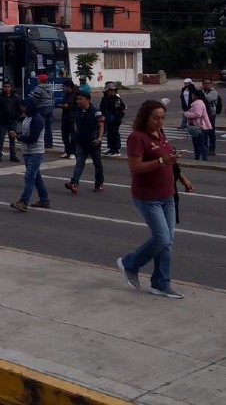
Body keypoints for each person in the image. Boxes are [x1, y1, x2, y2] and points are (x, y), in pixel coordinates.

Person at [117, 100, 187, 298]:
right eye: (155, 118)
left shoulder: (161, 134)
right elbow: (135, 168)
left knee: (168, 241)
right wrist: (161, 160)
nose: (160, 122)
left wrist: (180, 176)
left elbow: (167, 160)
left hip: (168, 196)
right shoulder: (137, 138)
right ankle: (129, 263)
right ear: (145, 117)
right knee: (162, 238)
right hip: (148, 197)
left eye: (163, 118)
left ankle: (160, 283)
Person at [9, 97, 50, 211]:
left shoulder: (37, 119)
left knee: (29, 177)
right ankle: (44, 199)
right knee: (36, 177)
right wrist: (18, 134)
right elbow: (27, 132)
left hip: (36, 152)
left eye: (23, 106)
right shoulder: (27, 118)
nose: (21, 108)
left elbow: (33, 137)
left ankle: (23, 201)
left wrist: (17, 137)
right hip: (27, 152)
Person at [65, 91, 105, 194]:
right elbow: (75, 123)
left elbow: (101, 125)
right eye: (77, 99)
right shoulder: (77, 111)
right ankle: (74, 183)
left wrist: (99, 138)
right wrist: (75, 134)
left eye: (80, 99)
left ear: (87, 100)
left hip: (93, 142)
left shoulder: (96, 112)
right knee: (79, 163)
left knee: (97, 164)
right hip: (81, 141)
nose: (78, 101)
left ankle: (99, 184)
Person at [0, 80, 22, 163]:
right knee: (1, 139)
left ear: (11, 87)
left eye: (9, 87)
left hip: (12, 121)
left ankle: (13, 155)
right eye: (5, 87)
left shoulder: (15, 97)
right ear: (3, 87)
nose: (7, 88)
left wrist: (17, 117)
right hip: (2, 121)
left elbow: (20, 108)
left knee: (12, 139)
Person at [182, 89, 212, 161]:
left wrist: (186, 114)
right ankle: (198, 158)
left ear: (196, 96)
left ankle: (202, 158)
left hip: (198, 126)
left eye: (192, 94)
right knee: (199, 143)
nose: (191, 96)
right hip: (199, 126)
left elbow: (197, 114)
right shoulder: (200, 102)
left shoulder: (197, 103)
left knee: (199, 143)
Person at [99, 83, 127, 156]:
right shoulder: (104, 99)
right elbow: (102, 108)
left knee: (115, 133)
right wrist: (104, 115)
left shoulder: (117, 99)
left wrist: (118, 117)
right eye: (110, 90)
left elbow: (122, 108)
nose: (112, 92)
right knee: (109, 133)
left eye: (113, 90)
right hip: (108, 118)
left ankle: (116, 149)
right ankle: (110, 148)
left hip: (116, 119)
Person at [30, 73, 56, 148]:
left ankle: (44, 142)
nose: (37, 80)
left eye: (38, 79)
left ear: (40, 80)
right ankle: (50, 143)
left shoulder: (38, 88)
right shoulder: (50, 87)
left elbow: (35, 100)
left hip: (42, 108)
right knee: (48, 127)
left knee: (42, 126)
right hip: (50, 108)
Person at [57, 80, 78, 159]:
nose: (63, 88)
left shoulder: (76, 95)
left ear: (69, 87)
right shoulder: (65, 95)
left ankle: (73, 152)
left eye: (64, 86)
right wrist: (62, 105)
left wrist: (69, 106)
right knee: (64, 135)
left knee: (73, 136)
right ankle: (67, 151)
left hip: (73, 117)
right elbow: (63, 102)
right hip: (65, 117)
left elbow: (78, 106)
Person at [200, 79, 220, 156]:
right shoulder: (203, 92)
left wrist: (201, 93)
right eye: (205, 83)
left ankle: (212, 149)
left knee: (211, 132)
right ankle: (205, 148)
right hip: (203, 114)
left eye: (208, 83)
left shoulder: (213, 92)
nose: (206, 84)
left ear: (211, 84)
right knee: (204, 133)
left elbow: (207, 98)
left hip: (211, 114)